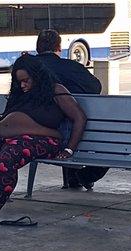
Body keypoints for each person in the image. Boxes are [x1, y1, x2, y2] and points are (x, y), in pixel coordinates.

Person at [0, 53, 87, 232]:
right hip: (11, 138)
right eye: (19, 81)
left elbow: (80, 118)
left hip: (46, 141)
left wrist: (70, 149)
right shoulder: (19, 94)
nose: (22, 85)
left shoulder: (55, 90)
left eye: (26, 80)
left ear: (37, 76)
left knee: (8, 156)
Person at [36, 29, 108, 190]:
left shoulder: (28, 67)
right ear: (59, 48)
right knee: (108, 142)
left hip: (32, 129)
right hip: (65, 132)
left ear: (37, 48)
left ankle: (73, 177)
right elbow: (95, 87)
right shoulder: (70, 66)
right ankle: (82, 176)